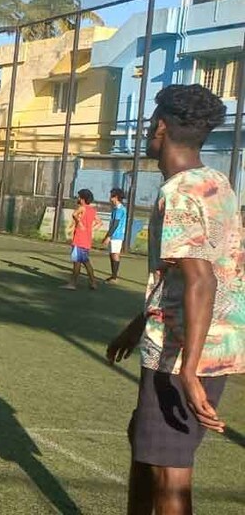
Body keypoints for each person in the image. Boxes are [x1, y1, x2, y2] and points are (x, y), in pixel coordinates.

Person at [106, 84, 243, 515]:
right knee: (145, 444)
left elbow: (202, 280)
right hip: (211, 343)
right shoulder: (217, 182)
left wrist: (187, 370)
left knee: (169, 472)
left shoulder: (179, 192)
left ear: (161, 128)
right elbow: (192, 273)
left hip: (182, 352)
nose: (149, 132)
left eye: (151, 125)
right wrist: (137, 324)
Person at [64, 188, 99, 290]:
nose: (78, 198)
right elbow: (99, 222)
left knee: (77, 262)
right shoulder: (92, 210)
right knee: (86, 262)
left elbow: (74, 214)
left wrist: (80, 223)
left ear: (83, 199)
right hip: (87, 240)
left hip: (79, 239)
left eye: (79, 197)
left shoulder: (82, 208)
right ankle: (93, 283)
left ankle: (73, 284)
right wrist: (90, 229)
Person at [101, 187, 128, 283]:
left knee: (115, 254)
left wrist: (108, 237)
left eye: (111, 195)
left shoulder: (120, 209)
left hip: (117, 235)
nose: (110, 198)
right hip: (114, 235)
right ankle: (113, 275)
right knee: (112, 254)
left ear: (115, 197)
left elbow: (116, 224)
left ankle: (114, 277)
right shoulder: (116, 208)